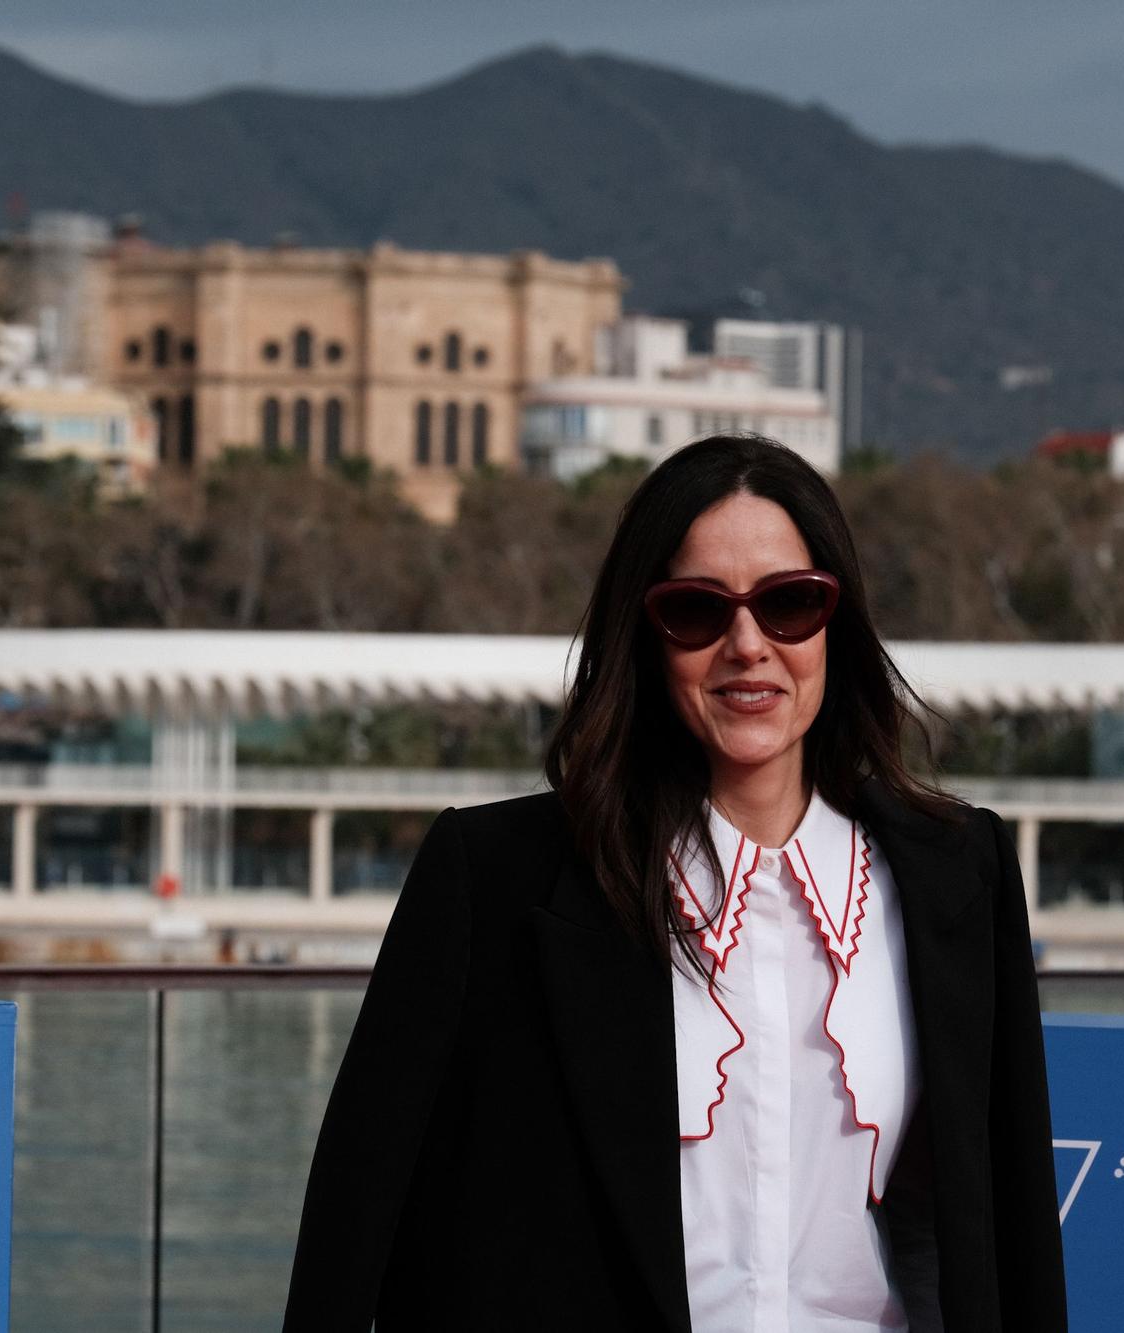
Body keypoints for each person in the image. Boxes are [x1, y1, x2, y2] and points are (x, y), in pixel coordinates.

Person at [283, 435, 1066, 1331]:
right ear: (646, 633)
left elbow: (1006, 1231)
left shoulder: (956, 874)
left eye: (789, 603)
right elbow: (354, 1223)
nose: (748, 645)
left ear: (835, 622)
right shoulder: (494, 877)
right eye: (697, 611)